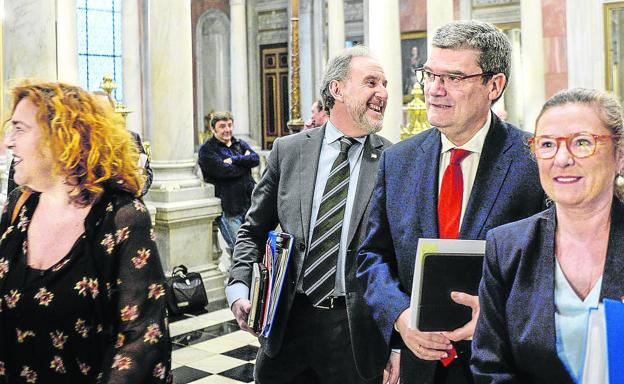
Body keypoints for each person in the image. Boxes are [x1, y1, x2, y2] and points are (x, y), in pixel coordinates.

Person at [356, 21, 545, 384]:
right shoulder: (399, 161)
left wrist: (496, 316)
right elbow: (372, 257)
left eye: (454, 78)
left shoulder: (533, 160)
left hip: (502, 364)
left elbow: (551, 269)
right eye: (430, 74)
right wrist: (400, 317)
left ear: (495, 85)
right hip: (419, 363)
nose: (433, 90)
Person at [226, 46, 397, 383]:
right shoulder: (289, 151)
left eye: (385, 84)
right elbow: (252, 230)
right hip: (287, 324)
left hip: (355, 334)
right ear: (337, 89)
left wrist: (398, 344)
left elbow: (399, 257)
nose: (383, 93)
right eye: (371, 82)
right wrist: (238, 290)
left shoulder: (394, 159)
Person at [0, 81, 171, 383]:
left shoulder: (121, 217)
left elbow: (141, 339)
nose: (8, 142)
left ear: (60, 137)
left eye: (19, 129)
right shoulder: (18, 207)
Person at [471, 88, 624, 383]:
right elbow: (490, 367)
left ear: (619, 156)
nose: (562, 158)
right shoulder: (507, 248)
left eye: (582, 143)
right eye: (548, 144)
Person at [197, 111, 259, 269]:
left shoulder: (239, 143)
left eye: (230, 125)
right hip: (229, 209)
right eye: (222, 126)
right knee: (240, 251)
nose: (227, 130)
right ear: (213, 129)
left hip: (250, 205)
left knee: (255, 249)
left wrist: (234, 160)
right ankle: (240, 287)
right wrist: (244, 165)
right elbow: (223, 171)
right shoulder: (207, 150)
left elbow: (255, 159)